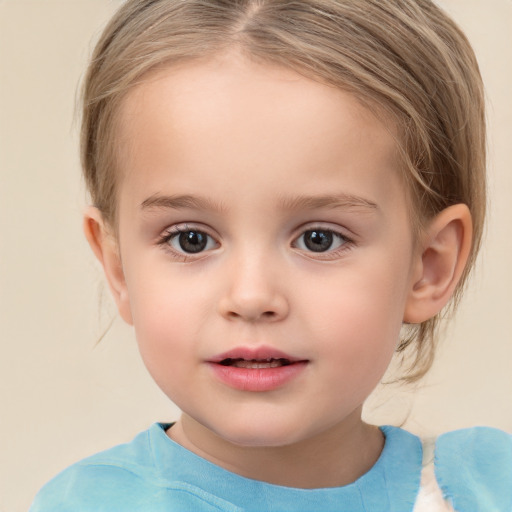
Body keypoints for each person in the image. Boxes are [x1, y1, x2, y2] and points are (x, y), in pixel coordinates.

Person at [30, 1, 511, 510]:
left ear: (428, 266)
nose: (252, 296)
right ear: (118, 266)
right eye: (190, 239)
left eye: (318, 239)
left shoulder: (488, 488)